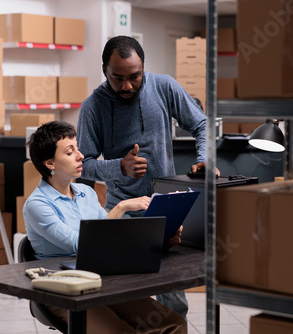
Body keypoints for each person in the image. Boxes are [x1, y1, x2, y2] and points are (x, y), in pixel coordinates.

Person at [77, 35, 220, 320]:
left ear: (144, 67)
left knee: (172, 294)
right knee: (124, 290)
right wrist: (119, 167)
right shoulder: (92, 107)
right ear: (104, 69)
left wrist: (205, 158)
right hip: (123, 209)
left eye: (135, 76)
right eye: (118, 78)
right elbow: (85, 165)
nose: (127, 85)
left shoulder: (164, 86)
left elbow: (202, 123)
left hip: (165, 206)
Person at [23, 120, 187, 334]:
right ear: (50, 163)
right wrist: (122, 206)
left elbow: (108, 234)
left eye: (78, 148)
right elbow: (80, 243)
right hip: (63, 290)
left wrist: (158, 236)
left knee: (174, 323)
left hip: (103, 281)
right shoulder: (37, 204)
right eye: (70, 152)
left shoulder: (86, 193)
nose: (81, 156)